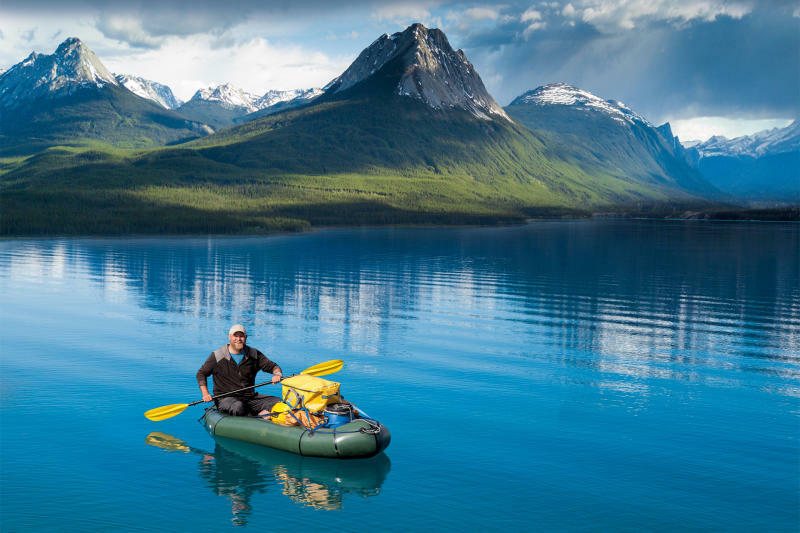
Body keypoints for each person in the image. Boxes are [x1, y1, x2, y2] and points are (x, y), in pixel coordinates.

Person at [196, 324, 283, 417]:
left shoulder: (254, 354)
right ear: (229, 337)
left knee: (278, 402)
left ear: (246, 337)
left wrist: (277, 374)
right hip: (226, 399)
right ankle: (259, 417)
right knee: (238, 406)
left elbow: (273, 366)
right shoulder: (217, 356)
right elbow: (201, 374)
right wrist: (205, 393)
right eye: (235, 336)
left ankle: (261, 415)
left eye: (241, 336)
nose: (238, 339)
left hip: (250, 398)